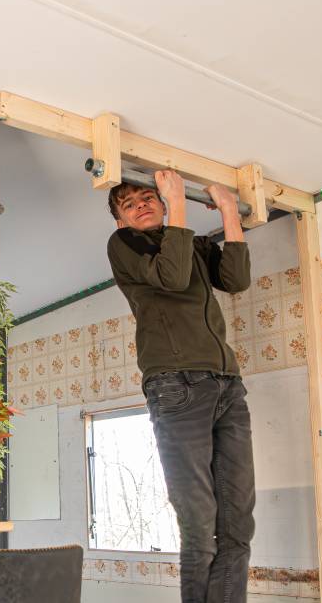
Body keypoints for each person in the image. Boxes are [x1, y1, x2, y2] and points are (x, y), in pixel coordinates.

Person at [106, 171, 254, 603]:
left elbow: (236, 279)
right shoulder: (124, 247)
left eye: (149, 196)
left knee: (238, 524)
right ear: (120, 222)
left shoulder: (188, 244)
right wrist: (178, 205)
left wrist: (228, 210)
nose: (143, 203)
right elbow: (170, 277)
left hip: (228, 384)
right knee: (199, 524)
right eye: (130, 203)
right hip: (176, 383)